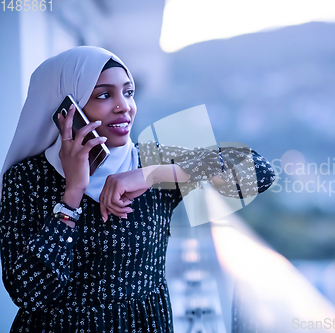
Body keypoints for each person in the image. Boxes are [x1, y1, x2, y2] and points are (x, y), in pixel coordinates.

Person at [0, 46, 275, 332]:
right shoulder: (26, 178)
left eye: (128, 92)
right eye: (104, 95)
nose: (124, 106)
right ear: (68, 109)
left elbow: (261, 172)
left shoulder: (150, 161)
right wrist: (73, 194)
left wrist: (154, 174)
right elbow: (28, 292)